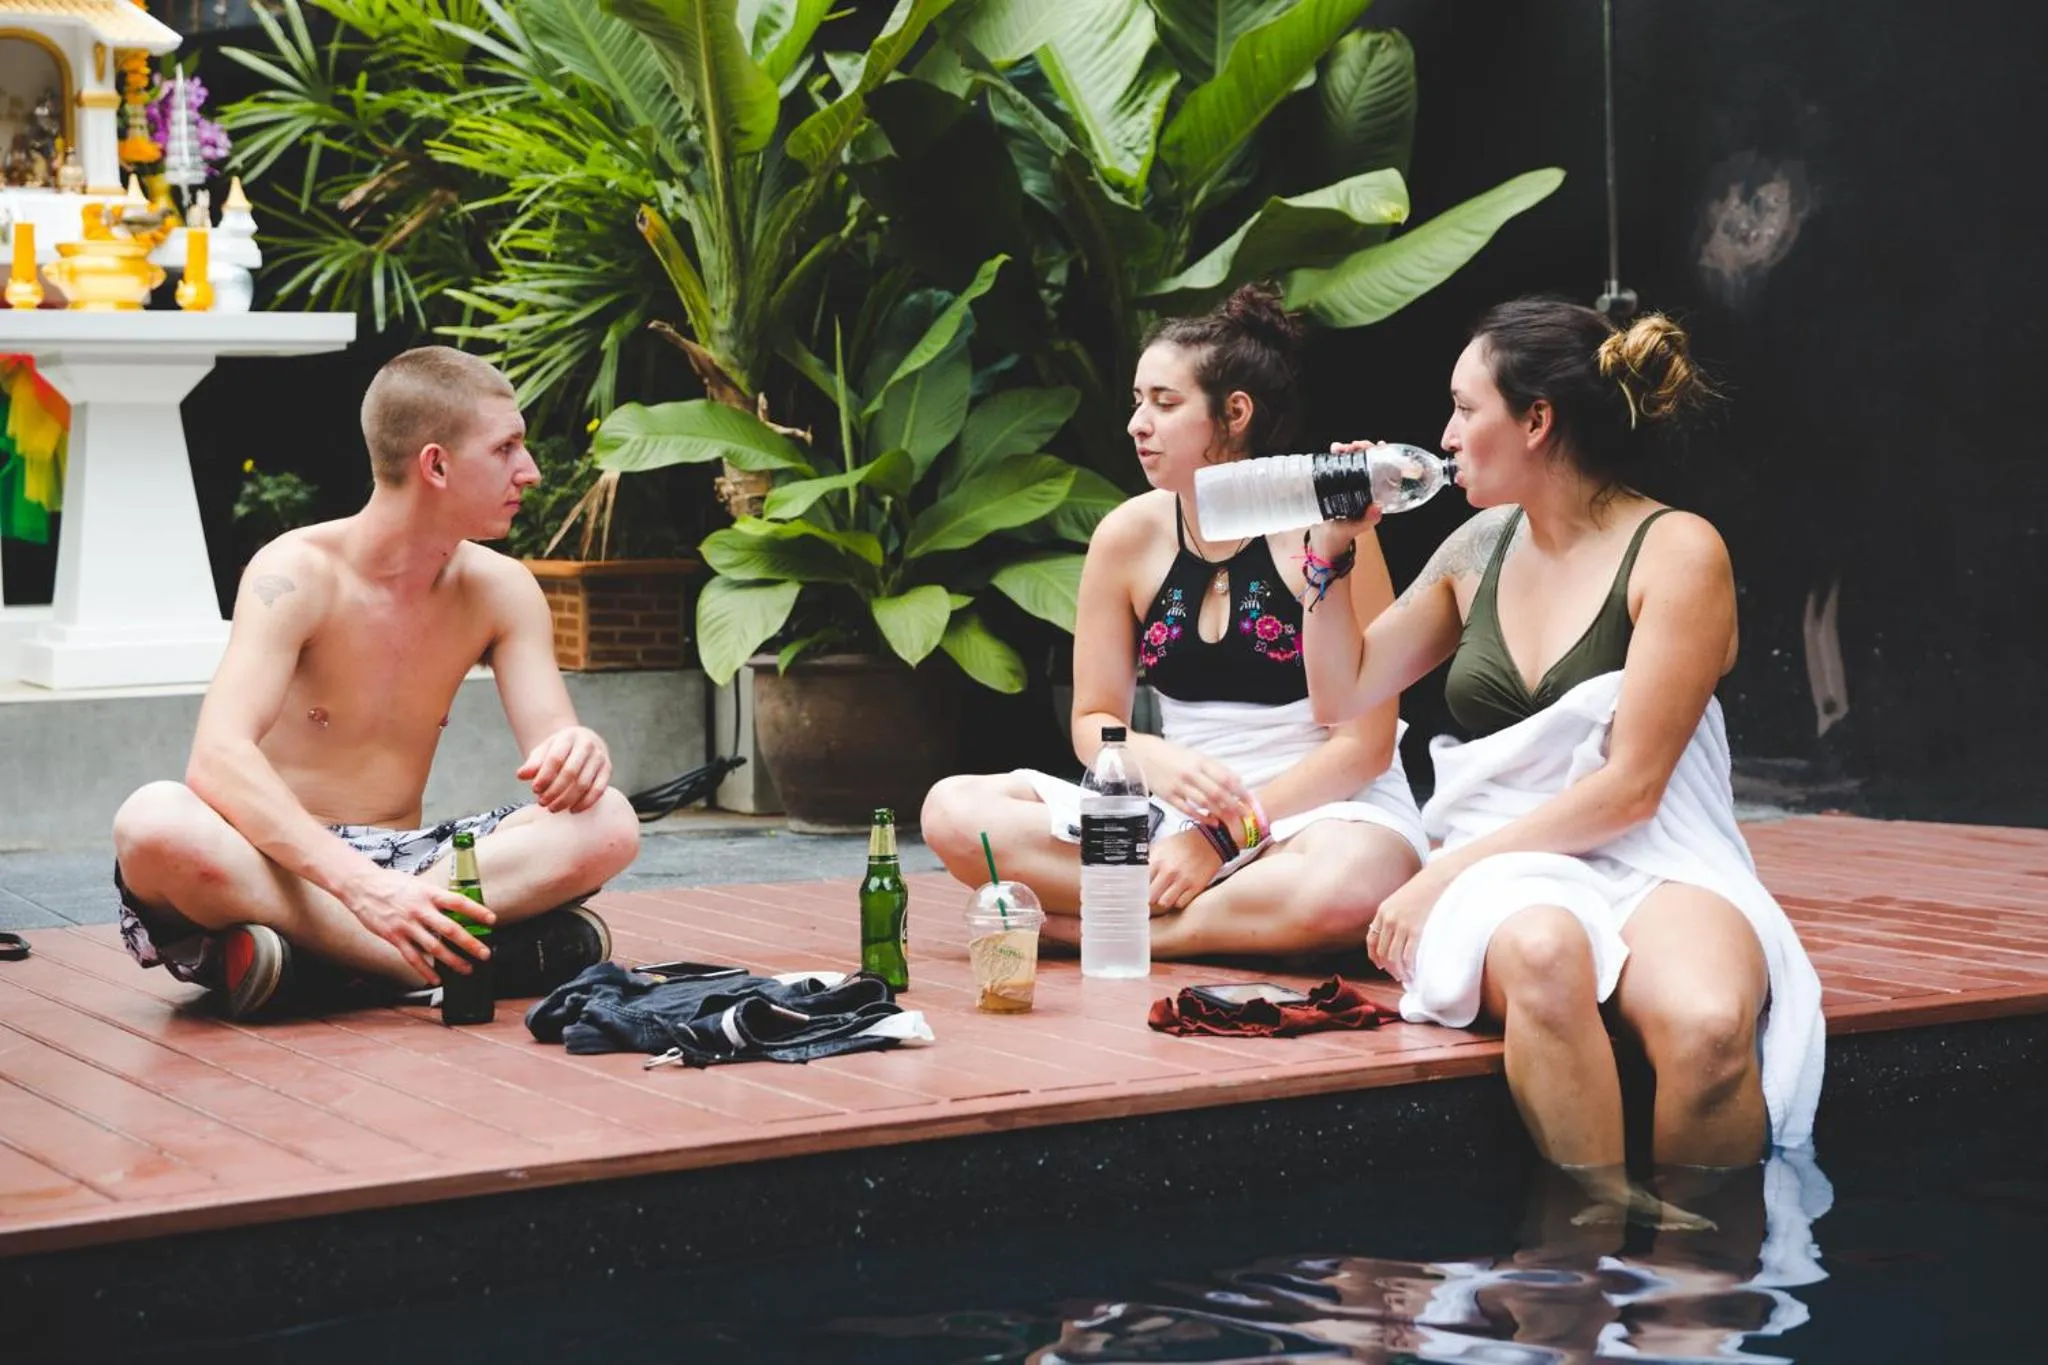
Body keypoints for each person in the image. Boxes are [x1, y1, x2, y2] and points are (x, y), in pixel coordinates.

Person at [1300, 299, 1825, 1203]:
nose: (1445, 434)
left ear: (1536, 420)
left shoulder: (1678, 551)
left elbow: (1631, 790)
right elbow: (1341, 693)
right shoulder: (1475, 548)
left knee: (1705, 1024)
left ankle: (1697, 1290)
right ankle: (1593, 1245)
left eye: (1466, 409)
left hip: (1651, 852)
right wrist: (1330, 552)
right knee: (1544, 953)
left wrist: (1433, 874)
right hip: (1511, 863)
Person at [110, 347, 641, 1019]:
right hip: (283, 859)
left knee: (610, 821)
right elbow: (217, 759)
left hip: (416, 870)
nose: (529, 472)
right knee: (152, 822)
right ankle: (409, 959)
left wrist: (579, 751)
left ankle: (320, 958)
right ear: (436, 464)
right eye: (506, 448)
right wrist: (363, 890)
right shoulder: (295, 573)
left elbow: (555, 751)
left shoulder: (503, 589)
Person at [922, 284, 1426, 959]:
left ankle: (1137, 929)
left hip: (1315, 815)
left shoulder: (1331, 524)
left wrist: (1221, 837)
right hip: (1169, 816)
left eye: (1164, 403)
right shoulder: (1126, 536)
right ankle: (1212, 915)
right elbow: (1092, 719)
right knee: (954, 814)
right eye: (1138, 401)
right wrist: (1152, 759)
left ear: (1235, 413)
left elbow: (1365, 747)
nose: (1137, 423)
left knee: (1351, 881)